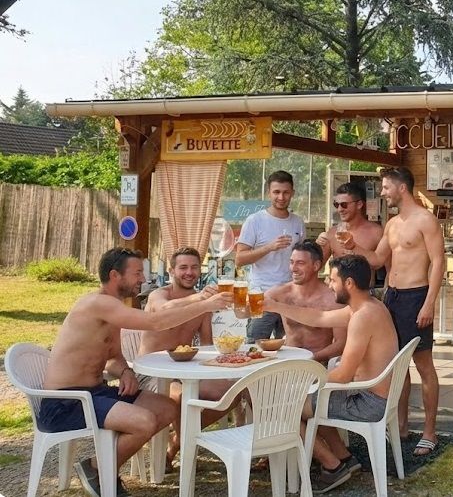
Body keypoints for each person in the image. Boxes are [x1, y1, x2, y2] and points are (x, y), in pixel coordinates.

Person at [39, 248, 229, 497]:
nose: (142, 278)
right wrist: (205, 304)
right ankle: (97, 468)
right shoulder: (98, 303)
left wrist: (126, 371)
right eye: (137, 272)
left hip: (95, 393)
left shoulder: (113, 306)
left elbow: (113, 357)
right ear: (115, 275)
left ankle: (103, 465)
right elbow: (155, 321)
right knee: (145, 421)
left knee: (167, 408)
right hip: (66, 401)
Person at [330, 166, 443, 457]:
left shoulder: (426, 220)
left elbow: (439, 263)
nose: (382, 192)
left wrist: (429, 302)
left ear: (400, 188)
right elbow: (378, 260)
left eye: (385, 187)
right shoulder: (392, 224)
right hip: (392, 295)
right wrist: (353, 246)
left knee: (423, 365)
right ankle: (401, 426)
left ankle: (430, 432)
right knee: (397, 366)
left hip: (416, 296)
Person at [264, 254, 399, 493]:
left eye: (333, 279)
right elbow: (319, 317)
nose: (328, 284)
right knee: (307, 400)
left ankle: (332, 465)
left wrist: (306, 382)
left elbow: (343, 375)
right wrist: (275, 307)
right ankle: (344, 457)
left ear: (349, 283)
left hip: (368, 402)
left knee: (282, 406)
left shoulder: (363, 317)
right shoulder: (368, 306)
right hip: (373, 394)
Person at [139, 247, 238, 462]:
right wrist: (200, 300)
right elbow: (164, 309)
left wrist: (228, 356)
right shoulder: (159, 294)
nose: (189, 272)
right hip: (152, 372)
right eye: (183, 267)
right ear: (172, 270)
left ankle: (175, 446)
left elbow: (206, 346)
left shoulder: (203, 304)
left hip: (186, 371)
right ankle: (185, 458)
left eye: (194, 267)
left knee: (232, 393)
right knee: (181, 398)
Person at [236, 170, 306, 340]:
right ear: (269, 193)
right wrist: (269, 247)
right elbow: (239, 259)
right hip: (261, 296)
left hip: (290, 296)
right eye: (276, 192)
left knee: (291, 347)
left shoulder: (297, 222)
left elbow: (303, 257)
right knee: (256, 346)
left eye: (285, 192)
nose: (281, 197)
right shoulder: (255, 220)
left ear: (292, 193)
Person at [267, 240, 346, 364]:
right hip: (287, 363)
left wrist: (309, 360)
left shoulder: (332, 299)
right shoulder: (281, 293)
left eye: (300, 263)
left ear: (316, 266)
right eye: (291, 262)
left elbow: (341, 343)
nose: (293, 268)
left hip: (317, 363)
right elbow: (245, 312)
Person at [319, 181, 384, 270]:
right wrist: (316, 246)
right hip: (336, 283)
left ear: (359, 204)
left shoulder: (376, 232)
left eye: (344, 205)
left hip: (364, 283)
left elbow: (387, 268)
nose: (339, 209)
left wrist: (354, 249)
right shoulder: (333, 232)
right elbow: (316, 266)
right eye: (336, 205)